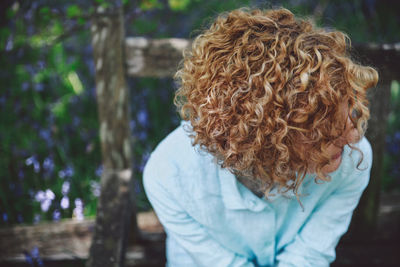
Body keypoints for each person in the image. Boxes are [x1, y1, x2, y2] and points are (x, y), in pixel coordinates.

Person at [143, 8, 378, 267]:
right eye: (322, 130)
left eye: (349, 110)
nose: (353, 136)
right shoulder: (168, 174)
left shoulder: (352, 161)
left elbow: (308, 257)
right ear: (262, 139)